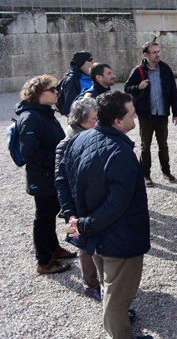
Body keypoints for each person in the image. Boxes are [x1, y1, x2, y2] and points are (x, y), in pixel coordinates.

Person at [57, 91, 152, 339]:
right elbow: (116, 205)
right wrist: (81, 224)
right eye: (132, 114)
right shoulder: (121, 153)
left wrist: (73, 220)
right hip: (117, 238)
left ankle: (117, 322)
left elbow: (62, 181)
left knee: (111, 289)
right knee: (116, 294)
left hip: (95, 236)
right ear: (118, 122)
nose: (136, 117)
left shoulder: (79, 139)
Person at [16, 75, 76, 274]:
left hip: (52, 175)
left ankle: (54, 249)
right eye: (52, 90)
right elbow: (30, 153)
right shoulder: (31, 117)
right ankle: (44, 262)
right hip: (43, 177)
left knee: (49, 215)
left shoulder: (43, 113)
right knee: (43, 218)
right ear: (39, 96)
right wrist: (59, 158)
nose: (57, 91)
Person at [55, 97, 101, 300]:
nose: (98, 121)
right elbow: (61, 182)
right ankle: (90, 285)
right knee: (85, 246)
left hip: (96, 201)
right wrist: (70, 213)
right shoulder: (66, 145)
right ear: (81, 121)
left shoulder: (96, 136)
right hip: (79, 206)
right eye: (94, 118)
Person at [124, 41, 177, 186]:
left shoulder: (165, 69)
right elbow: (126, 88)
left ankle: (166, 172)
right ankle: (146, 175)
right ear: (146, 55)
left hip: (162, 113)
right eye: (154, 52)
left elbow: (173, 92)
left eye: (158, 51)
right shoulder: (138, 71)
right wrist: (139, 86)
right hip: (145, 115)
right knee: (145, 146)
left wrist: (176, 113)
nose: (157, 54)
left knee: (163, 144)